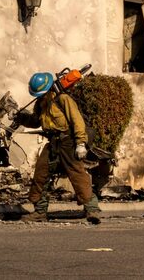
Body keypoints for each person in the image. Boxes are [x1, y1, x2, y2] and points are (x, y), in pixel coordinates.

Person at [17, 72, 101, 224]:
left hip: (69, 141)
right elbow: (35, 121)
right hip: (53, 142)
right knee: (41, 174)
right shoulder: (41, 103)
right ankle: (40, 212)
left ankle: (92, 210)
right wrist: (19, 117)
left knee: (77, 175)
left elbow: (77, 121)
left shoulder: (63, 99)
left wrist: (81, 143)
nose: (39, 96)